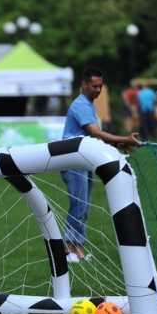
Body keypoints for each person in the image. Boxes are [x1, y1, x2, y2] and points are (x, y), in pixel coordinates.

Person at [61, 66, 142, 263]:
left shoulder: (89, 105)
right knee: (78, 206)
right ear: (84, 84)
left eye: (100, 86)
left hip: (84, 160)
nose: (98, 90)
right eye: (94, 86)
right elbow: (96, 133)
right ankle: (65, 252)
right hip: (73, 160)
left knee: (84, 207)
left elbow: (94, 138)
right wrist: (124, 138)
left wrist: (119, 144)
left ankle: (79, 250)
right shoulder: (80, 105)